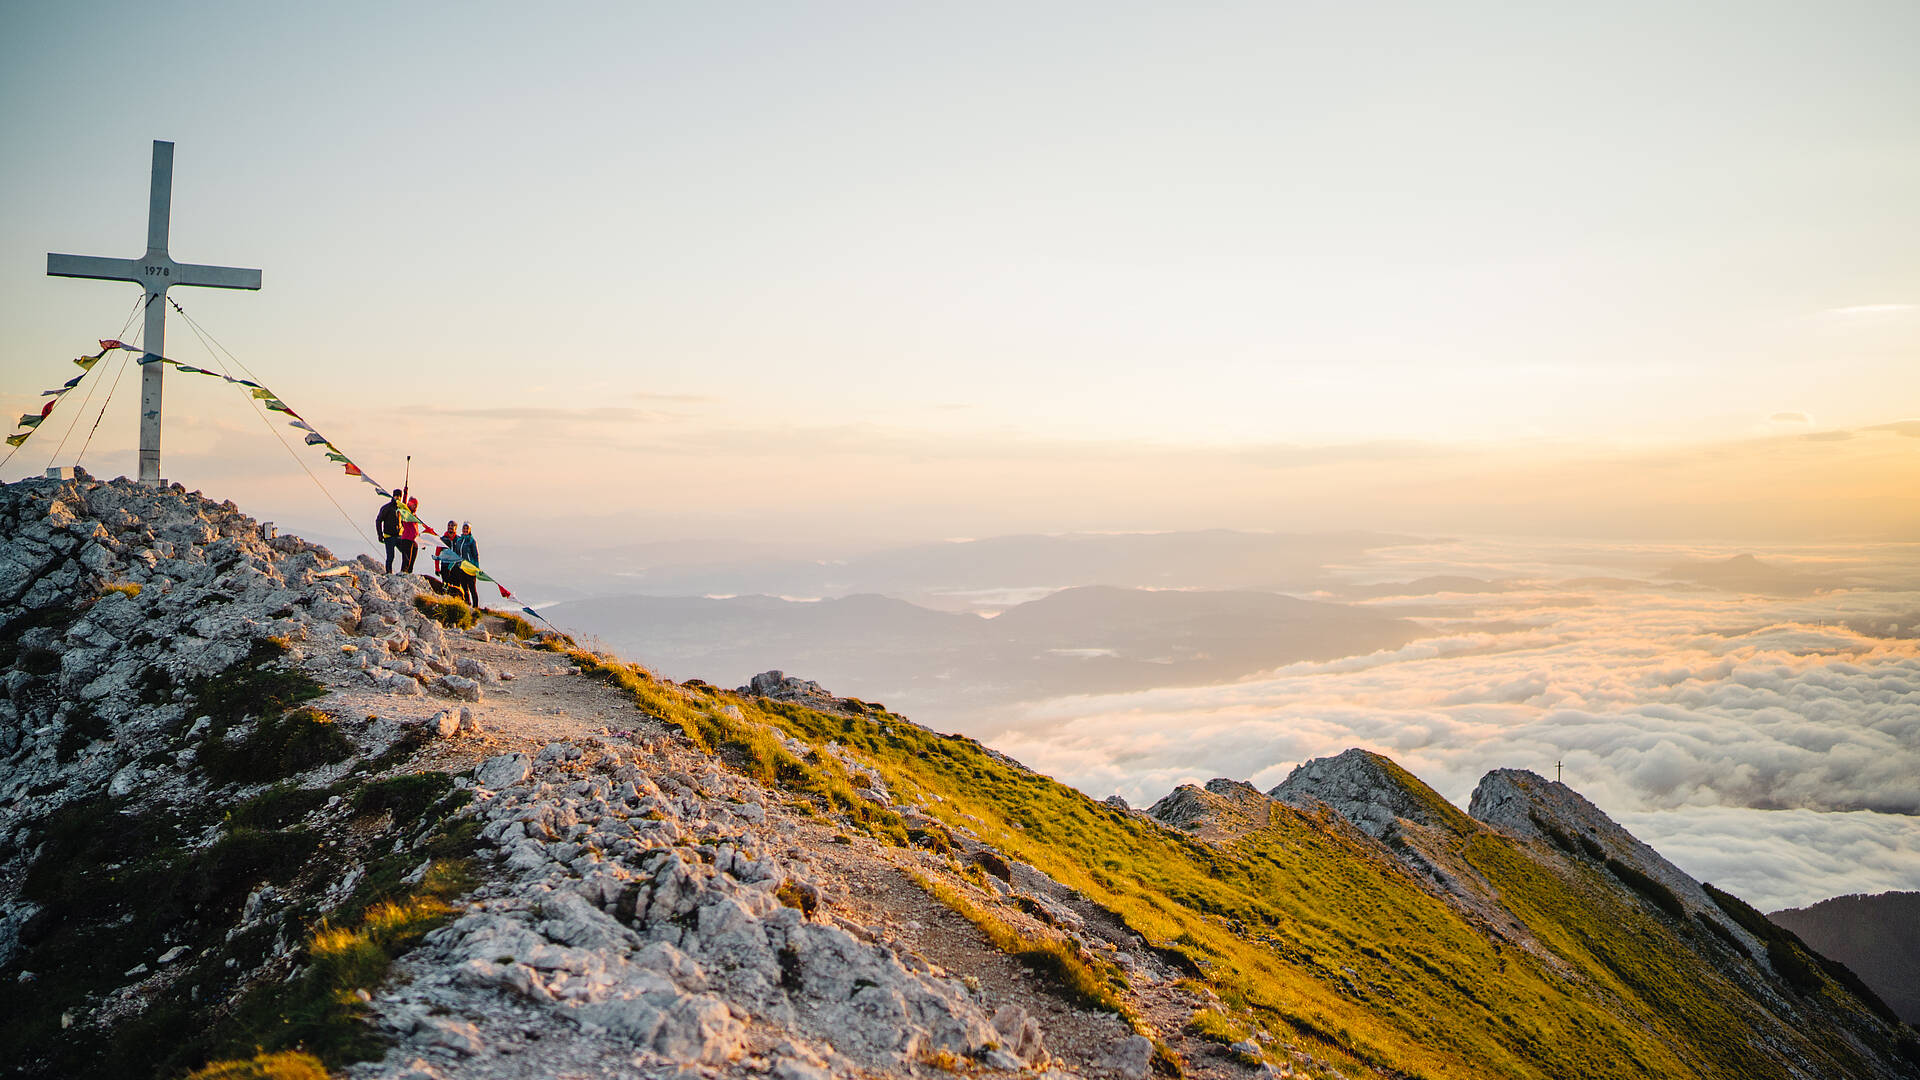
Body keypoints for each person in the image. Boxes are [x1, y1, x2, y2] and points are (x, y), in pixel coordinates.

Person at [433, 518, 467, 599]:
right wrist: (437, 568)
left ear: (456, 528)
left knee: (456, 586)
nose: (450, 527)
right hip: (445, 566)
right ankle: (445, 599)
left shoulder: (459, 540)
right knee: (445, 585)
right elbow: (437, 554)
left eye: (452, 526)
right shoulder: (442, 539)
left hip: (456, 567)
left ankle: (456, 601)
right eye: (449, 526)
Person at [375, 491, 404, 573]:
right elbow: (378, 521)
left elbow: (403, 521)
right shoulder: (387, 508)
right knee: (390, 556)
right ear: (393, 496)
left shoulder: (400, 508)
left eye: (399, 496)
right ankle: (389, 572)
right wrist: (380, 535)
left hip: (399, 535)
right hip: (389, 536)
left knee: (405, 552)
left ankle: (404, 571)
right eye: (396, 496)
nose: (397, 497)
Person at [453, 522, 481, 605]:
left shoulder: (472, 541)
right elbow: (456, 553)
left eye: (467, 529)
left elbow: (475, 555)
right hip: (461, 567)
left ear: (469, 530)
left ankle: (475, 606)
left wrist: (477, 568)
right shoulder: (459, 540)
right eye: (464, 528)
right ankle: (467, 603)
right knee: (464, 587)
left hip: (470, 568)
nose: (465, 530)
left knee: (472, 588)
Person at [399, 497, 421, 573]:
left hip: (414, 541)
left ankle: (409, 574)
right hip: (407, 539)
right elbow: (403, 505)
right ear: (410, 504)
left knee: (412, 561)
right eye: (414, 505)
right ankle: (403, 573)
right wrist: (405, 492)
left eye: (416, 505)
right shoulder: (406, 513)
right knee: (406, 560)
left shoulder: (414, 515)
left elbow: (416, 530)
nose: (415, 507)